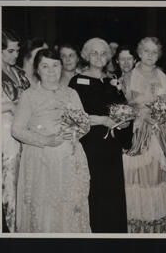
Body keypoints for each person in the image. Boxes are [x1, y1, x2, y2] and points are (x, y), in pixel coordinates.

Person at [12, 49, 91, 233]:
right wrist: (46, 140)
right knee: (45, 208)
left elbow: (85, 124)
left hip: (70, 161)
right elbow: (17, 130)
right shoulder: (29, 95)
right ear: (37, 70)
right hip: (43, 161)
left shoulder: (72, 93)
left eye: (55, 65)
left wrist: (75, 131)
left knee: (70, 207)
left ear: (61, 67)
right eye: (45, 66)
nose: (51, 71)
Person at [69, 38, 133, 233]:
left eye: (103, 53)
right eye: (94, 53)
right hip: (90, 144)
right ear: (86, 56)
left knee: (112, 192)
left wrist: (126, 121)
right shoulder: (77, 81)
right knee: (94, 191)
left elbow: (124, 108)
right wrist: (103, 120)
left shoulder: (113, 80)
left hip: (111, 147)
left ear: (108, 57)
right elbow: (74, 115)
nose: (98, 57)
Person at [122, 37, 166, 233]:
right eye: (146, 51)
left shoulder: (162, 76)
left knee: (154, 178)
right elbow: (126, 105)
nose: (149, 55)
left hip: (157, 134)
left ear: (159, 55)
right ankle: (134, 227)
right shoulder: (129, 76)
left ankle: (153, 227)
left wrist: (165, 113)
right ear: (139, 52)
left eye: (154, 52)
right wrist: (143, 114)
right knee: (135, 178)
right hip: (137, 132)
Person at [1, 29, 30, 232]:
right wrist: (11, 106)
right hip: (5, 134)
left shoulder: (19, 72)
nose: (15, 55)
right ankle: (10, 231)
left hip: (24, 130)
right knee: (10, 183)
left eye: (17, 50)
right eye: (10, 51)